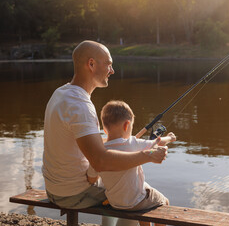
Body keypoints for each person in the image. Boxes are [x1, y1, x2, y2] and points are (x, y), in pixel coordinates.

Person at [42, 40, 168, 214]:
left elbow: (79, 142)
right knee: (132, 194)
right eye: (108, 64)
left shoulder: (61, 93)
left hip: (54, 188)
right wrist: (148, 155)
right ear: (91, 64)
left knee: (126, 183)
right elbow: (100, 162)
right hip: (75, 193)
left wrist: (121, 144)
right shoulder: (80, 105)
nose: (112, 71)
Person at [87, 100, 175, 226]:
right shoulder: (133, 143)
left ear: (105, 130)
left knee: (144, 192)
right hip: (135, 203)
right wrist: (170, 138)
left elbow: (91, 178)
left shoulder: (99, 152)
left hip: (115, 203)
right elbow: (158, 142)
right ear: (126, 125)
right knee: (164, 202)